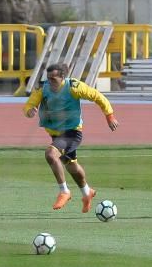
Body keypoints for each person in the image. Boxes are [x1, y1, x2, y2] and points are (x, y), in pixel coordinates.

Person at [24, 62, 119, 213]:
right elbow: (29, 104)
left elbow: (98, 96)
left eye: (53, 79)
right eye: (48, 78)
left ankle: (64, 191)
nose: (50, 82)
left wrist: (110, 116)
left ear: (63, 77)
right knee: (71, 165)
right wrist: (29, 111)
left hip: (72, 132)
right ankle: (87, 192)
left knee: (50, 154)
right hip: (56, 134)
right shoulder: (43, 88)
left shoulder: (74, 87)